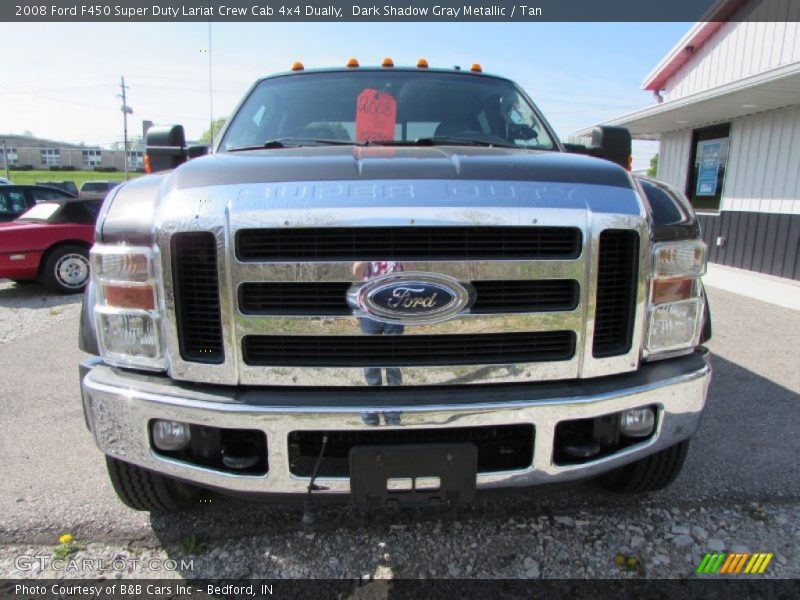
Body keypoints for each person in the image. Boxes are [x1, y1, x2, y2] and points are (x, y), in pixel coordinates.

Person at [352, 260, 406, 386]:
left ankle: (395, 389)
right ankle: (374, 390)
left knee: (394, 355)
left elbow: (410, 272)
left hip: (394, 311)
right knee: (370, 355)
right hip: (369, 311)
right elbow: (356, 272)